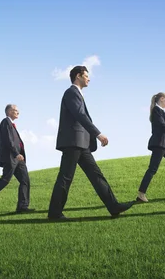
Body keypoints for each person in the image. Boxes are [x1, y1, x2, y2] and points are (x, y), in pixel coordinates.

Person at [47, 65, 134, 220]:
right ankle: (54, 213)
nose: (89, 78)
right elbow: (80, 115)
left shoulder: (77, 94)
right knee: (66, 177)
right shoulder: (71, 92)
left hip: (82, 143)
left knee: (96, 176)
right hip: (73, 142)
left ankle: (113, 206)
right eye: (86, 75)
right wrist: (98, 134)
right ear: (78, 76)